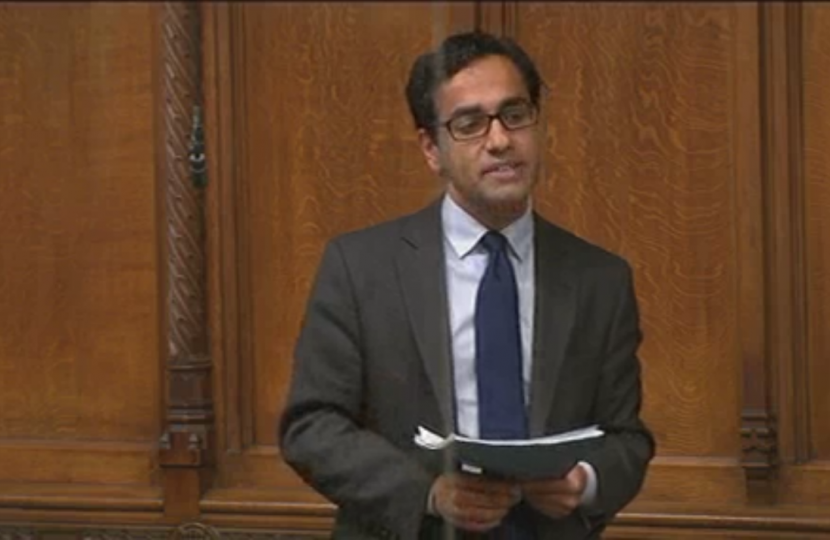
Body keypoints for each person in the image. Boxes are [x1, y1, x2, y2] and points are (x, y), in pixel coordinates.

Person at [278, 30, 655, 540]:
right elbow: (312, 425)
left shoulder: (600, 279)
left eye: (515, 114)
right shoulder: (360, 268)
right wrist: (428, 494)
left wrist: (585, 482)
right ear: (431, 149)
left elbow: (626, 437)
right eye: (470, 123)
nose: (499, 140)